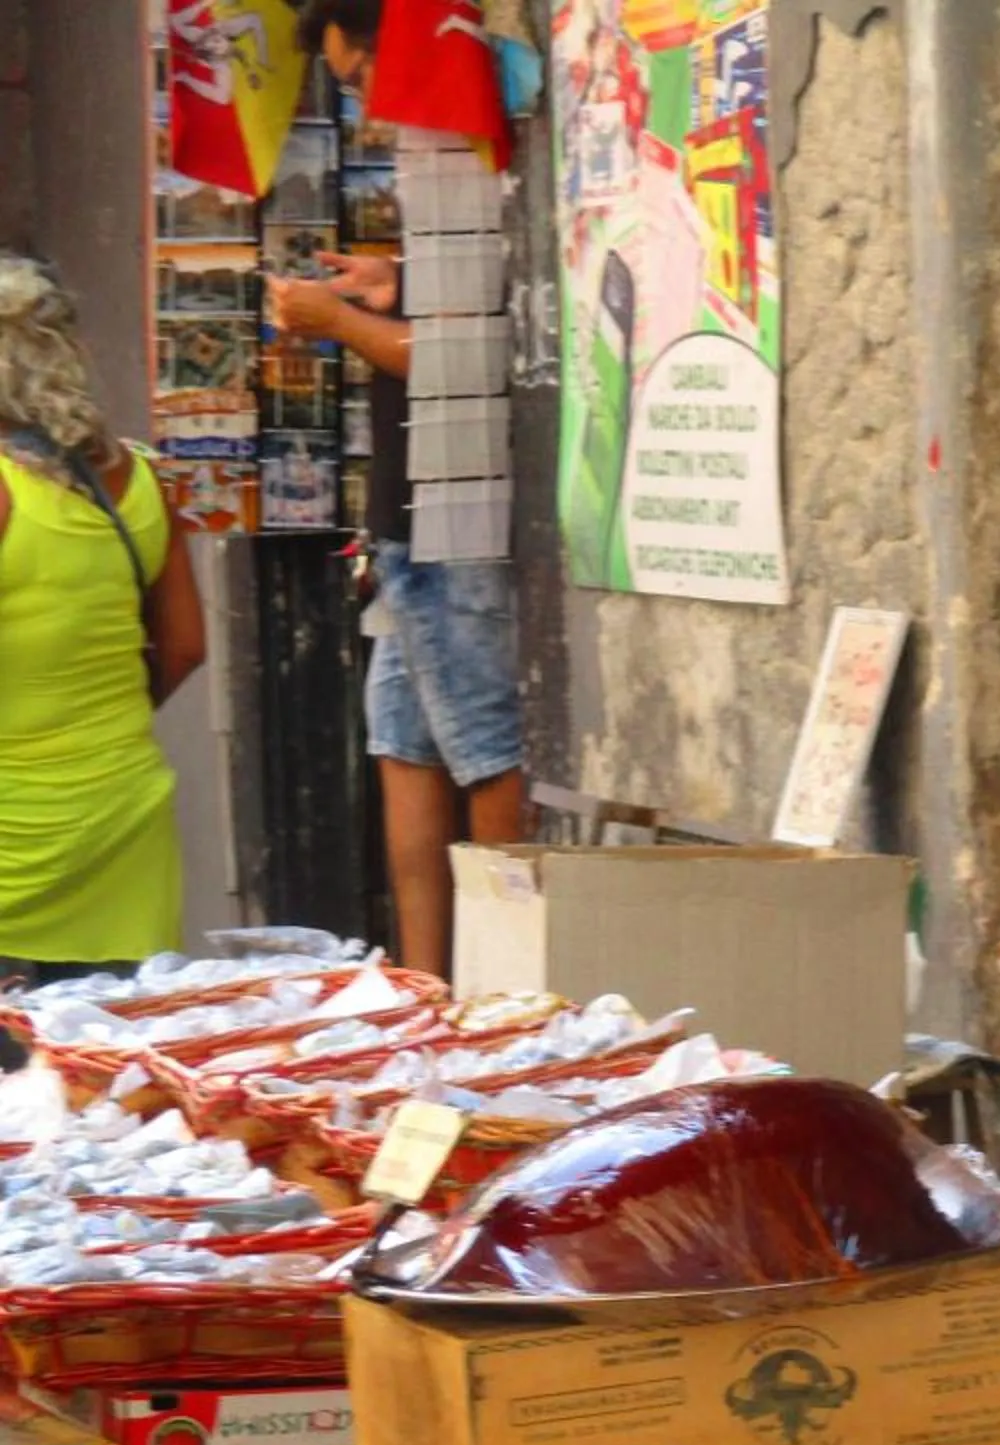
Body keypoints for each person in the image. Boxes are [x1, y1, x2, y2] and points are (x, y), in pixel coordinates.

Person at [275, 0, 526, 982]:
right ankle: (426, 986)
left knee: (485, 751)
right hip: (406, 524)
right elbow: (447, 309)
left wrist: (340, 321)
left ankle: (508, 986)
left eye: (355, 78)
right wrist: (393, 278)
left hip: (455, 519)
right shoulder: (441, 177)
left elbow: (465, 352)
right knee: (406, 749)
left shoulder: (468, 145)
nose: (362, 111)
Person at [0, 255, 207, 984]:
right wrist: (102, 727)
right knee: (108, 1083)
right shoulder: (145, 479)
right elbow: (184, 646)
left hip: (12, 847)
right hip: (125, 823)